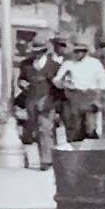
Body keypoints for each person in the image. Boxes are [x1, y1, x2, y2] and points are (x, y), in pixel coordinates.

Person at [16, 36, 67, 169]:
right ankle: (45, 157)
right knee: (35, 132)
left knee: (45, 129)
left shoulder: (54, 66)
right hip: (31, 101)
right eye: (34, 51)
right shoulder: (25, 65)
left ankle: (46, 160)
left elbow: (59, 88)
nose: (36, 54)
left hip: (48, 102)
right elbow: (20, 79)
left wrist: (58, 105)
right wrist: (22, 84)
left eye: (39, 51)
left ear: (44, 51)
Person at [54, 39, 105, 143]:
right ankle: (77, 151)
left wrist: (99, 95)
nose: (79, 53)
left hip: (90, 96)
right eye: (77, 51)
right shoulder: (68, 64)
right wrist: (65, 84)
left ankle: (92, 148)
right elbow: (57, 80)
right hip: (74, 97)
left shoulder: (95, 63)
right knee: (75, 128)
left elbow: (104, 82)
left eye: (82, 51)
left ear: (86, 52)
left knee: (90, 127)